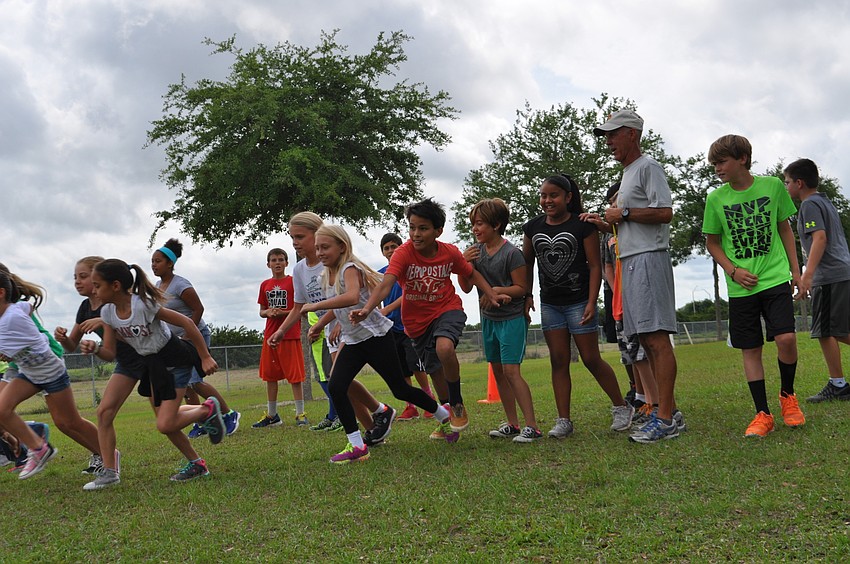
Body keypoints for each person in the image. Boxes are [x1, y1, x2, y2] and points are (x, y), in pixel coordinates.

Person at [352, 198, 509, 439]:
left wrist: (491, 294)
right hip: (417, 324)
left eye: (423, 228)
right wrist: (367, 309)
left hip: (447, 309)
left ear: (438, 231)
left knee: (444, 348)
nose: (416, 234)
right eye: (412, 227)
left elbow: (471, 274)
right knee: (435, 370)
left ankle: (456, 402)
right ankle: (448, 418)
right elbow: (386, 285)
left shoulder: (449, 252)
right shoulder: (403, 254)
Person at [302, 225, 457, 463]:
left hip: (376, 338)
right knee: (336, 386)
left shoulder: (349, 268)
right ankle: (357, 445)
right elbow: (338, 305)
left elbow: (352, 296)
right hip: (353, 341)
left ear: (341, 247)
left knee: (400, 389)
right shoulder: (326, 275)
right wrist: (321, 324)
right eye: (317, 248)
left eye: (325, 247)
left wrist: (315, 306)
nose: (320, 252)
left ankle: (443, 415)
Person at [78, 259, 224, 489]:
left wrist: (205, 356)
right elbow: (109, 353)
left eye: (97, 286)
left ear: (115, 286)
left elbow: (186, 322)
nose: (94, 291)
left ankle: (207, 410)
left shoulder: (143, 305)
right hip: (154, 365)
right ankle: (196, 462)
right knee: (165, 419)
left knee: (165, 424)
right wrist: (95, 348)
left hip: (175, 360)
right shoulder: (107, 312)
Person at [702, 134, 805, 437]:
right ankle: (763, 414)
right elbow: (712, 243)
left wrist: (796, 271)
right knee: (751, 349)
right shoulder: (715, 199)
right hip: (741, 288)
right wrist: (733, 271)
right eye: (714, 163)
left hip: (775, 278)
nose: (717, 168)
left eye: (722, 162)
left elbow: (785, 229)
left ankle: (788, 396)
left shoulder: (772, 187)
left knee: (786, 338)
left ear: (742, 159)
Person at [592, 109, 682, 443]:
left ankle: (665, 418)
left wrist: (624, 212)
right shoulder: (629, 172)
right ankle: (669, 412)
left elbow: (665, 212)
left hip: (648, 259)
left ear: (632, 134)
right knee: (646, 339)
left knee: (656, 339)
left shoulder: (648, 167)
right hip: (630, 260)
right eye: (606, 135)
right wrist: (607, 224)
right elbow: (630, 222)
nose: (608, 141)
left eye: (613, 134)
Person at [267, 212, 394, 445]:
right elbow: (299, 307)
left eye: (300, 237)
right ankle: (373, 431)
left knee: (338, 380)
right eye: (292, 237)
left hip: (348, 325)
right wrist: (281, 331)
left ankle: (380, 412)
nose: (294, 243)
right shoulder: (300, 269)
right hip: (330, 328)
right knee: (343, 386)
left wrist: (330, 322)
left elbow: (350, 297)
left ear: (317, 234)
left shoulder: (335, 262)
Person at [522, 175, 634, 439]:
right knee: (558, 360)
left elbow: (595, 266)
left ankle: (621, 406)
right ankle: (564, 421)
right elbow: (526, 264)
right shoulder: (532, 227)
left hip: (579, 303)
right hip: (551, 304)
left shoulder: (582, 225)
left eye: (553, 195)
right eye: (543, 195)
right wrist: (527, 295)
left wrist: (592, 301)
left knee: (591, 358)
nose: (547, 200)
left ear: (568, 197)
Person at [0, 267, 102, 479]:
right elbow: (27, 307)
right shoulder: (15, 308)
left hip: (49, 367)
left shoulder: (9, 319)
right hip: (26, 369)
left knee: (68, 422)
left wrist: (20, 346)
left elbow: (21, 320)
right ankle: (36, 447)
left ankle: (107, 453)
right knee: (2, 409)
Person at [459, 198, 541, 442]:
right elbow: (465, 287)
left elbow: (521, 288)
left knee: (511, 371)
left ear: (496, 225)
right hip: (488, 320)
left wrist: (495, 291)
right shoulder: (476, 252)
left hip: (512, 319)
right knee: (498, 372)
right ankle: (513, 424)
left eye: (480, 223)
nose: (475, 229)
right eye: (473, 224)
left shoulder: (512, 254)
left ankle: (532, 427)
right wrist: (463, 262)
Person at [151, 238, 240, 437]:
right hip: (175, 342)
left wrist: (187, 335)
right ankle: (201, 422)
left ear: (170, 263)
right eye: (152, 261)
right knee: (184, 385)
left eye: (158, 261)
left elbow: (198, 309)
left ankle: (229, 414)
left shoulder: (181, 285)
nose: (154, 265)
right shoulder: (158, 285)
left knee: (195, 381)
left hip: (193, 336)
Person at [784, 158, 850, 402]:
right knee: (833, 329)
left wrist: (807, 275)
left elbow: (820, 238)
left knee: (827, 330)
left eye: (787, 182)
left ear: (799, 183)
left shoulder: (809, 204)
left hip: (830, 275)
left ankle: (838, 384)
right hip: (839, 272)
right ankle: (838, 383)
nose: (786, 186)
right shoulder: (824, 201)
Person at [53, 255, 125, 474]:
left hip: (146, 357)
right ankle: (107, 461)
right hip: (126, 363)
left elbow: (130, 319)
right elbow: (71, 345)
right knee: (104, 412)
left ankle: (205, 411)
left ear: (97, 277)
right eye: (75, 277)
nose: (77, 282)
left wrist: (103, 320)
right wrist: (63, 337)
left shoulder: (111, 302)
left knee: (166, 419)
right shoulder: (85, 307)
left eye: (83, 276)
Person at [377, 233, 439, 422]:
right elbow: (377, 295)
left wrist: (387, 308)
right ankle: (410, 406)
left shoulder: (409, 269)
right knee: (401, 369)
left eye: (393, 246)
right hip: (391, 328)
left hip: (410, 327)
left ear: (401, 248)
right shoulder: (380, 274)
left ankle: (429, 399)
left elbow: (407, 294)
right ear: (382, 252)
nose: (390, 251)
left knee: (416, 366)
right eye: (386, 248)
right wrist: (378, 312)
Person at [253, 248, 311, 428]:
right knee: (270, 376)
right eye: (273, 260)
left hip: (290, 334)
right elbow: (262, 311)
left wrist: (283, 312)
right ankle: (272, 415)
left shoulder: (293, 282)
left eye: (280, 259)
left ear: (287, 263)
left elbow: (300, 308)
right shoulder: (265, 285)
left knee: (295, 376)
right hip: (270, 335)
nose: (277, 263)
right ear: (268, 264)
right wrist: (269, 312)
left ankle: (300, 413)